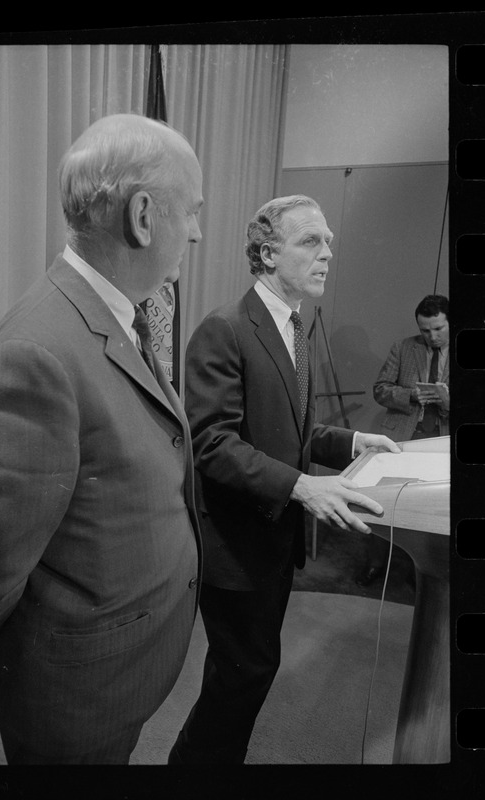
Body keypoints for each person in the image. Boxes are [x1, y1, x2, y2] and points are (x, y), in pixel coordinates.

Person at [0, 113, 204, 764]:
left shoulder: (115, 312)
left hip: (118, 679)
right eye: (193, 212)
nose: (199, 232)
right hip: (75, 705)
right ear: (145, 217)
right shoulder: (39, 352)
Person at [168, 194, 400, 764]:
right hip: (234, 547)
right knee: (241, 676)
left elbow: (288, 430)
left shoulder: (292, 326)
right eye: (310, 242)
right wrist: (302, 485)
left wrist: (349, 442)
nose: (326, 254)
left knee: (247, 673)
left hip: (271, 540)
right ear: (268, 253)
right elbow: (212, 443)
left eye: (329, 243)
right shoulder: (225, 328)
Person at [355, 294, 450, 587]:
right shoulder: (404, 347)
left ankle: (420, 571)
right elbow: (380, 389)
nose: (432, 336)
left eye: (438, 329)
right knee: (381, 504)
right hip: (402, 438)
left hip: (442, 441)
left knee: (429, 512)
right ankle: (375, 563)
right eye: (425, 330)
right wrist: (409, 395)